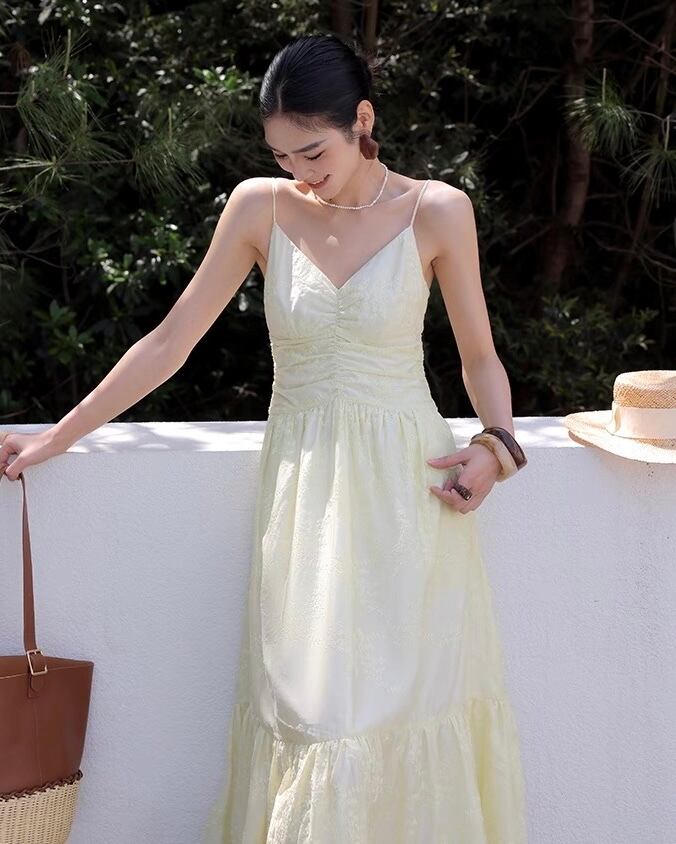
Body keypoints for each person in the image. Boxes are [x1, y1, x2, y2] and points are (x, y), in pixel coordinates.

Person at [0, 32, 529, 844]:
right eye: (282, 155)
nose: (300, 172)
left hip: (409, 496)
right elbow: (169, 343)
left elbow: (480, 358)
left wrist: (498, 448)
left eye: (313, 152)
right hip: (304, 499)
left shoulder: (437, 210)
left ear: (362, 120)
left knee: (404, 710)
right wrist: (59, 438)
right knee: (313, 713)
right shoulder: (260, 207)